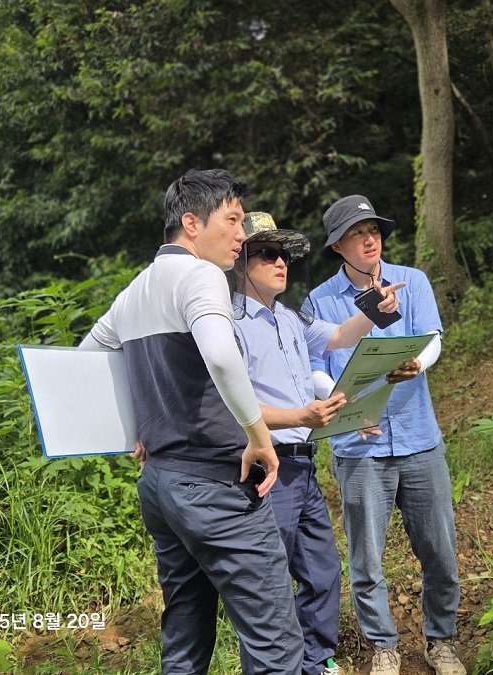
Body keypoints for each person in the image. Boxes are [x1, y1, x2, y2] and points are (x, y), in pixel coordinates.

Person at [77, 169, 303, 674]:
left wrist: (133, 425)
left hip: (160, 485)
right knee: (275, 640)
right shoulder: (201, 276)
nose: (242, 236)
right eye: (233, 220)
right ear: (191, 223)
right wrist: (258, 436)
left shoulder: (136, 289)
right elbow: (222, 357)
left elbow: (87, 358)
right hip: (215, 483)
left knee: (184, 634)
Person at [230, 212, 403, 675]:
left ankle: (316, 662)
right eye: (268, 253)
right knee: (267, 584)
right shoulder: (228, 323)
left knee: (322, 571)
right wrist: (300, 415)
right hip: (267, 469)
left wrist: (374, 308)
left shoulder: (290, 317)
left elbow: (341, 336)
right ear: (241, 260)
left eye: (284, 254)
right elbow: (230, 405)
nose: (281, 262)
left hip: (305, 465)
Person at [304, 195, 466, 675]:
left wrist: (421, 364)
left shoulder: (412, 281)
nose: (369, 238)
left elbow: (433, 337)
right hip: (359, 446)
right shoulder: (319, 300)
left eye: (372, 229)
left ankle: (442, 641)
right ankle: (384, 647)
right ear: (337, 246)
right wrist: (340, 401)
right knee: (367, 560)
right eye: (357, 233)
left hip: (419, 438)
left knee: (439, 550)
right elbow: (314, 366)